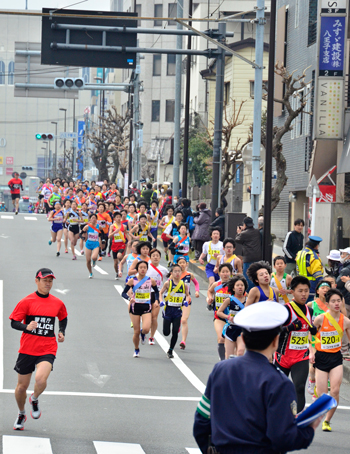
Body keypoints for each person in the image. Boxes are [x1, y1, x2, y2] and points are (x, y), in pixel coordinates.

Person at [193, 301, 320, 454]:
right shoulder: (279, 383)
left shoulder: (221, 370)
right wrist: (309, 430)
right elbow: (282, 438)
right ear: (275, 342)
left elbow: (201, 421)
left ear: (244, 340)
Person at [10, 268, 67, 430]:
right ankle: (21, 413)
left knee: (41, 380)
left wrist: (62, 331)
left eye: (50, 280)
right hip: (27, 349)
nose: (48, 283)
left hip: (47, 348)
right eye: (45, 280)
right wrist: (26, 326)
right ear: (37, 281)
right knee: (21, 387)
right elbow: (14, 322)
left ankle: (34, 399)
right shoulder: (27, 301)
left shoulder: (57, 302)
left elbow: (63, 317)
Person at [274, 276, 317, 414]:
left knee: (299, 387)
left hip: (301, 356)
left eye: (306, 291)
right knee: (276, 389)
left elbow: (309, 331)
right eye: (300, 291)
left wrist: (313, 330)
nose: (304, 294)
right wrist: (290, 327)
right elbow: (274, 331)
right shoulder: (285, 310)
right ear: (292, 292)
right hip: (283, 356)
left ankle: (296, 421)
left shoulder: (310, 311)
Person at [311, 288, 350, 432]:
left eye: (339, 301)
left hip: (336, 358)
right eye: (333, 301)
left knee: (334, 390)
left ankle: (327, 421)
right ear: (327, 304)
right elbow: (311, 335)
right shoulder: (320, 319)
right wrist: (312, 350)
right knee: (322, 394)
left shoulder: (345, 321)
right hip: (321, 357)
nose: (336, 303)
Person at [122, 261, 158, 357]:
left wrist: (157, 301)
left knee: (146, 329)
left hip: (146, 307)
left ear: (147, 269)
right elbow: (123, 293)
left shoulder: (151, 280)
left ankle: (143, 334)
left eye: (144, 267)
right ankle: (136, 349)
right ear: (137, 269)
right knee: (136, 332)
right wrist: (130, 298)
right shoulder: (132, 280)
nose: (142, 269)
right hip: (135, 307)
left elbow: (157, 292)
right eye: (140, 267)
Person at [306, 280, 332, 398]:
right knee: (314, 366)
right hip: (314, 339)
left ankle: (321, 387)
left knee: (325, 365)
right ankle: (312, 381)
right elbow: (302, 313)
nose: (325, 289)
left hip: (329, 340)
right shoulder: (312, 305)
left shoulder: (333, 305)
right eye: (323, 287)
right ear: (317, 291)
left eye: (328, 287)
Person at [159, 264, 190, 358]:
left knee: (175, 331)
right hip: (168, 310)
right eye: (175, 271)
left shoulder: (184, 285)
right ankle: (166, 331)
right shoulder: (168, 283)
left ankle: (170, 350)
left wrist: (186, 301)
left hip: (177, 310)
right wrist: (161, 301)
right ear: (171, 273)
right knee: (166, 332)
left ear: (181, 272)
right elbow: (160, 293)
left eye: (179, 271)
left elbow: (188, 295)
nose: (177, 273)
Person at [207, 264, 233, 360]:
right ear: (219, 273)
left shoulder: (234, 285)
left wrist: (229, 302)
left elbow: (242, 296)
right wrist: (210, 298)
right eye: (223, 272)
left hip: (232, 316)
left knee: (230, 339)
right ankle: (222, 360)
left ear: (231, 273)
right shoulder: (216, 285)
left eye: (227, 272)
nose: (225, 274)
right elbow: (209, 291)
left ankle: (229, 358)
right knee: (221, 338)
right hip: (219, 316)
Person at [217, 274, 247, 359]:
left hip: (242, 330)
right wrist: (228, 317)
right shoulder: (229, 300)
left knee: (240, 352)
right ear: (233, 288)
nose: (240, 287)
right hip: (231, 329)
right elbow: (219, 312)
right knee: (229, 356)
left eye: (242, 285)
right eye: (237, 285)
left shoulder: (248, 300)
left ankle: (238, 371)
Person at [177, 257, 200, 350]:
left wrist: (197, 291)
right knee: (177, 319)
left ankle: (183, 341)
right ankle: (177, 326)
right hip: (175, 300)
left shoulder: (190, 275)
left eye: (184, 262)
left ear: (186, 264)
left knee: (184, 320)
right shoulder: (174, 275)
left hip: (187, 300)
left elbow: (196, 283)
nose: (182, 264)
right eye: (180, 262)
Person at [146, 248, 168, 345]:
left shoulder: (164, 270)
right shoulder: (145, 267)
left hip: (157, 294)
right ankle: (145, 328)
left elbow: (169, 282)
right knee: (146, 316)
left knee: (154, 317)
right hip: (145, 294)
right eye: (153, 256)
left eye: (157, 256)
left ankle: (151, 337)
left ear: (160, 258)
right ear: (150, 257)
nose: (155, 257)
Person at [235, 216, 262, 290]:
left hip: (248, 257)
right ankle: (256, 290)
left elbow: (237, 240)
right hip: (258, 257)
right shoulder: (257, 231)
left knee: (247, 276)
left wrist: (239, 232)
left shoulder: (244, 233)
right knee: (256, 274)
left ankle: (249, 292)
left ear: (245, 225)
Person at [296, 236, 324, 302]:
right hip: (312, 285)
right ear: (316, 245)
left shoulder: (300, 253)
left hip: (301, 282)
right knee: (310, 306)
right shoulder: (313, 255)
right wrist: (323, 283)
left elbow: (297, 269)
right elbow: (317, 273)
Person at [108, 211, 128, 280]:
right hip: (114, 245)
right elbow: (109, 236)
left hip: (121, 245)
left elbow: (126, 234)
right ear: (114, 219)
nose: (119, 218)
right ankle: (117, 272)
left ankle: (121, 264)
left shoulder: (124, 226)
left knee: (119, 256)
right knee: (115, 262)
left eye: (120, 217)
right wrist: (114, 232)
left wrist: (129, 241)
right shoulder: (112, 226)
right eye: (117, 217)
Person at [82, 213, 100, 278]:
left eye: (95, 218)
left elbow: (102, 234)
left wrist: (103, 240)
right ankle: (90, 272)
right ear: (90, 219)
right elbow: (82, 233)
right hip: (88, 243)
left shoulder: (98, 226)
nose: (93, 219)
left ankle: (94, 261)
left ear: (96, 219)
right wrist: (83, 236)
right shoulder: (87, 226)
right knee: (88, 260)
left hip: (96, 243)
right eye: (92, 218)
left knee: (94, 257)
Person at [336, 247, 350, 317]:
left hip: (347, 300)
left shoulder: (346, 270)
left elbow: (338, 283)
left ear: (349, 256)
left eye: (343, 254)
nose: (341, 256)